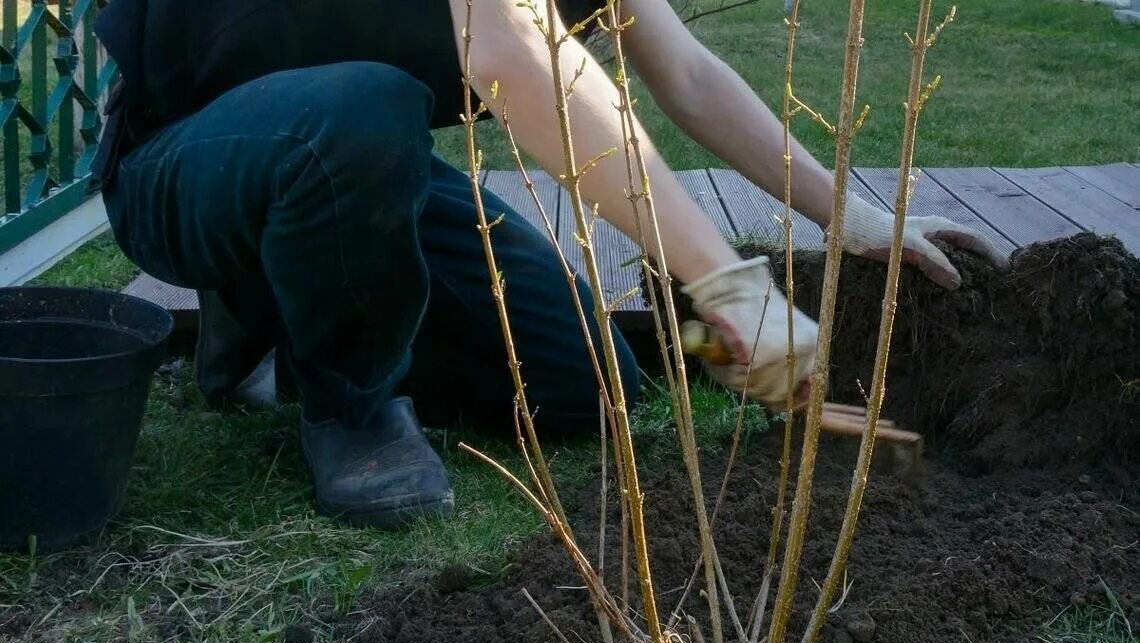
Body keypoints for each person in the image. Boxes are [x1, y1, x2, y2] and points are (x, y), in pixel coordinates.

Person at [90, 0, 1006, 531]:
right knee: (368, 109)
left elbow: (684, 75)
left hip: (356, 162)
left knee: (587, 384)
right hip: (184, 155)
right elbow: (515, 55)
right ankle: (350, 409)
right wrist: (729, 295)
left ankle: (283, 310)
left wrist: (850, 217)